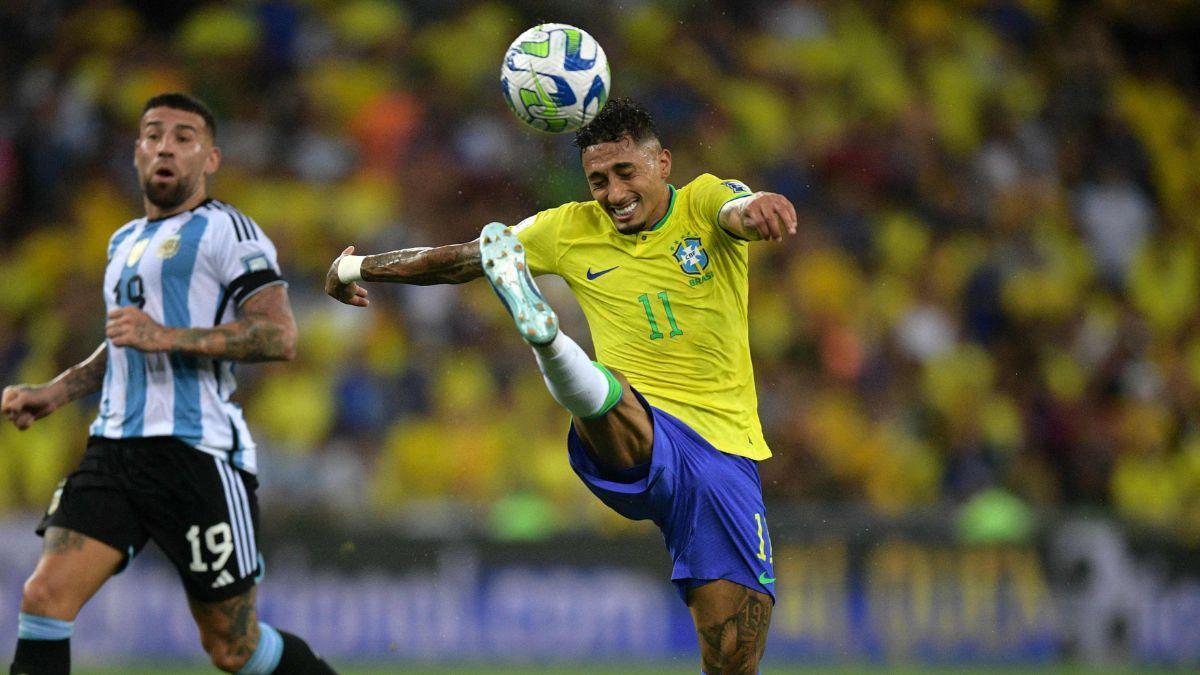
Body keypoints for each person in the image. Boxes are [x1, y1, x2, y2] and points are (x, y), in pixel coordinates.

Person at [325, 97, 797, 673]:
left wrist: (760, 207)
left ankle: (558, 352)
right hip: (639, 431)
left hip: (725, 455)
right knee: (616, 393)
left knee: (733, 662)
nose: (613, 192)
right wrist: (355, 267)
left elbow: (739, 210)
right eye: (597, 180)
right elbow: (459, 261)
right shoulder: (569, 227)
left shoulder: (703, 199)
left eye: (626, 173)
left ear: (663, 164)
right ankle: (547, 339)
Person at [1, 93, 336, 675]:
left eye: (184, 137)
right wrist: (56, 391)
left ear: (210, 159)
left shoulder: (230, 231)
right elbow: (125, 342)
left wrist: (168, 336)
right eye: (153, 134)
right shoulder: (121, 242)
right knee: (44, 598)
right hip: (114, 454)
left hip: (195, 456)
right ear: (136, 153)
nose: (165, 146)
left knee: (234, 649)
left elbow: (278, 336)